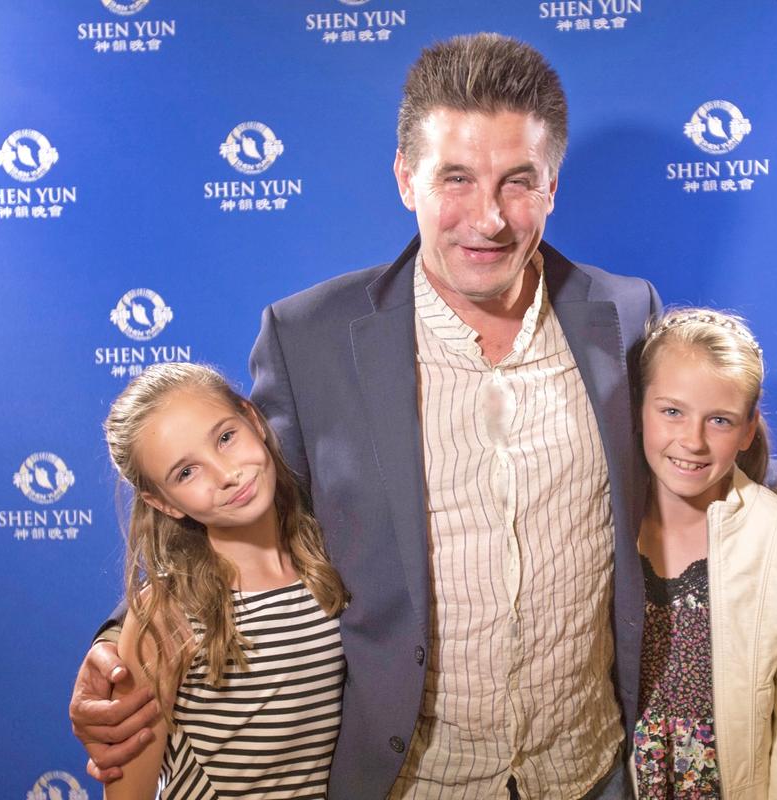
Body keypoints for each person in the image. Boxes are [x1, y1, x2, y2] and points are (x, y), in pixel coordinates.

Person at [70, 33, 659, 799]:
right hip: (405, 782)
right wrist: (122, 648)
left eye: (519, 182)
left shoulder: (625, 314)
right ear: (405, 179)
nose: (487, 219)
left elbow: (700, 481)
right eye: (455, 178)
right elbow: (239, 517)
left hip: (590, 771)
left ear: (552, 187)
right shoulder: (307, 339)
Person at [101, 362, 348, 799]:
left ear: (253, 419)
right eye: (186, 472)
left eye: (225, 438)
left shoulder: (329, 561)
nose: (225, 474)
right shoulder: (165, 614)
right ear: (162, 502)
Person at [631, 308, 777, 799]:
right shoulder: (603, 519)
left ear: (747, 429)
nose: (693, 441)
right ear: (638, 407)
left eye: (719, 420)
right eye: (672, 411)